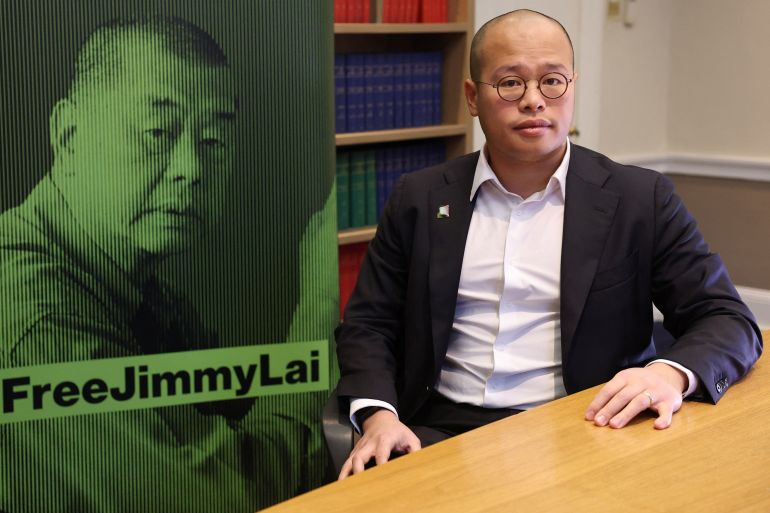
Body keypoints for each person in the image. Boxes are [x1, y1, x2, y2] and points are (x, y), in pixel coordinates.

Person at [335, 9, 763, 478]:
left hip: (589, 426)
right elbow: (369, 324)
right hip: (438, 432)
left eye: (552, 81)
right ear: (473, 98)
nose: (534, 100)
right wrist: (379, 416)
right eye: (510, 83)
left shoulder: (640, 198)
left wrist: (667, 375)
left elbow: (726, 317)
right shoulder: (419, 197)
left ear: (572, 87)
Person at [0, 16, 320, 512]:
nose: (191, 170)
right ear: (69, 136)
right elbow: (231, 500)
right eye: (156, 132)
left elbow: (228, 418)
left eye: (213, 141)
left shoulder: (146, 291)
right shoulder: (37, 317)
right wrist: (321, 307)